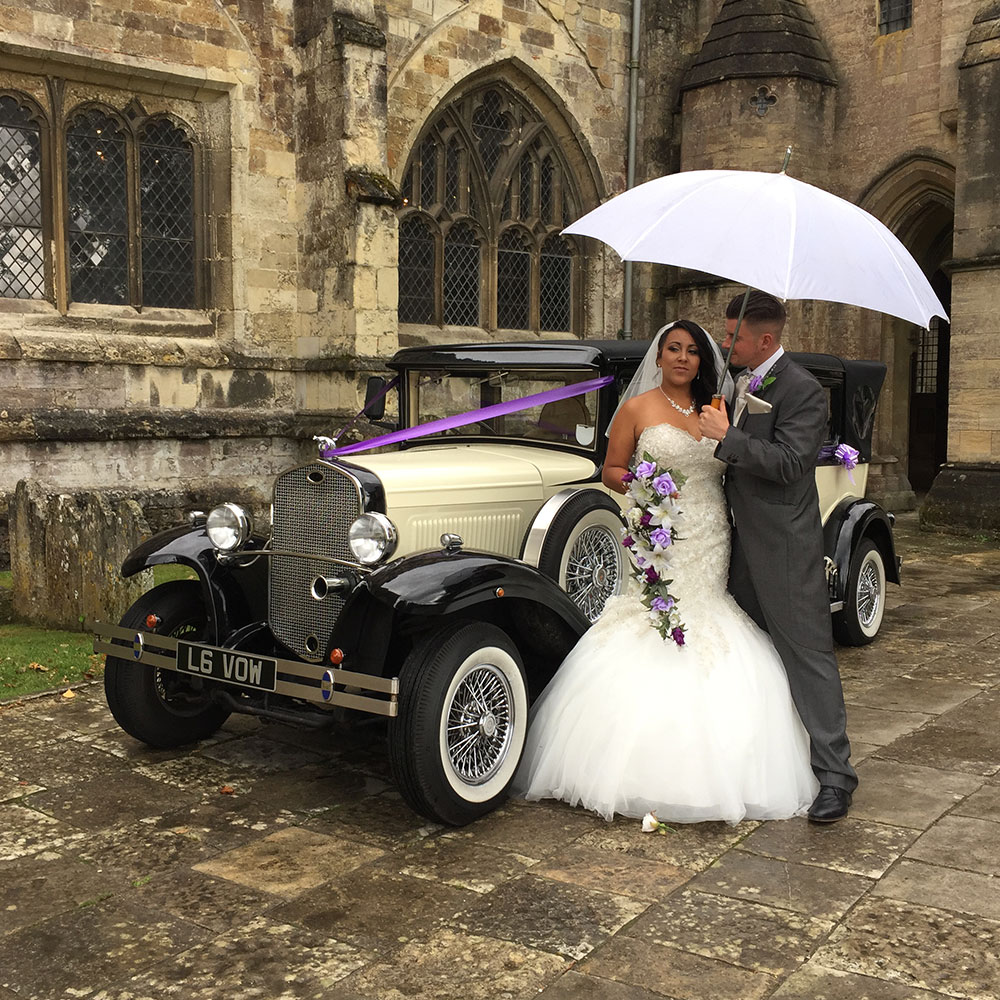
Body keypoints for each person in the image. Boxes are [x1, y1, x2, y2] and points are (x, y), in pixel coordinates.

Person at [514, 320, 819, 824]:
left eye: (693, 351)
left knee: (710, 615)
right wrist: (647, 488)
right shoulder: (636, 409)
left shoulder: (718, 409)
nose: (683, 358)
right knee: (654, 617)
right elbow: (611, 470)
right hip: (660, 535)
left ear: (703, 361)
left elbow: (740, 461)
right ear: (658, 357)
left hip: (712, 533)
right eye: (673, 349)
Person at [698, 291, 857, 823]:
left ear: (765, 340)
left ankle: (837, 776)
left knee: (808, 654)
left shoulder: (804, 390)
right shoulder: (734, 380)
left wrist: (728, 437)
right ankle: (764, 760)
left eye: (733, 337)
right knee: (750, 653)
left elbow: (791, 464)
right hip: (733, 544)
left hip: (785, 546)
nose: (725, 344)